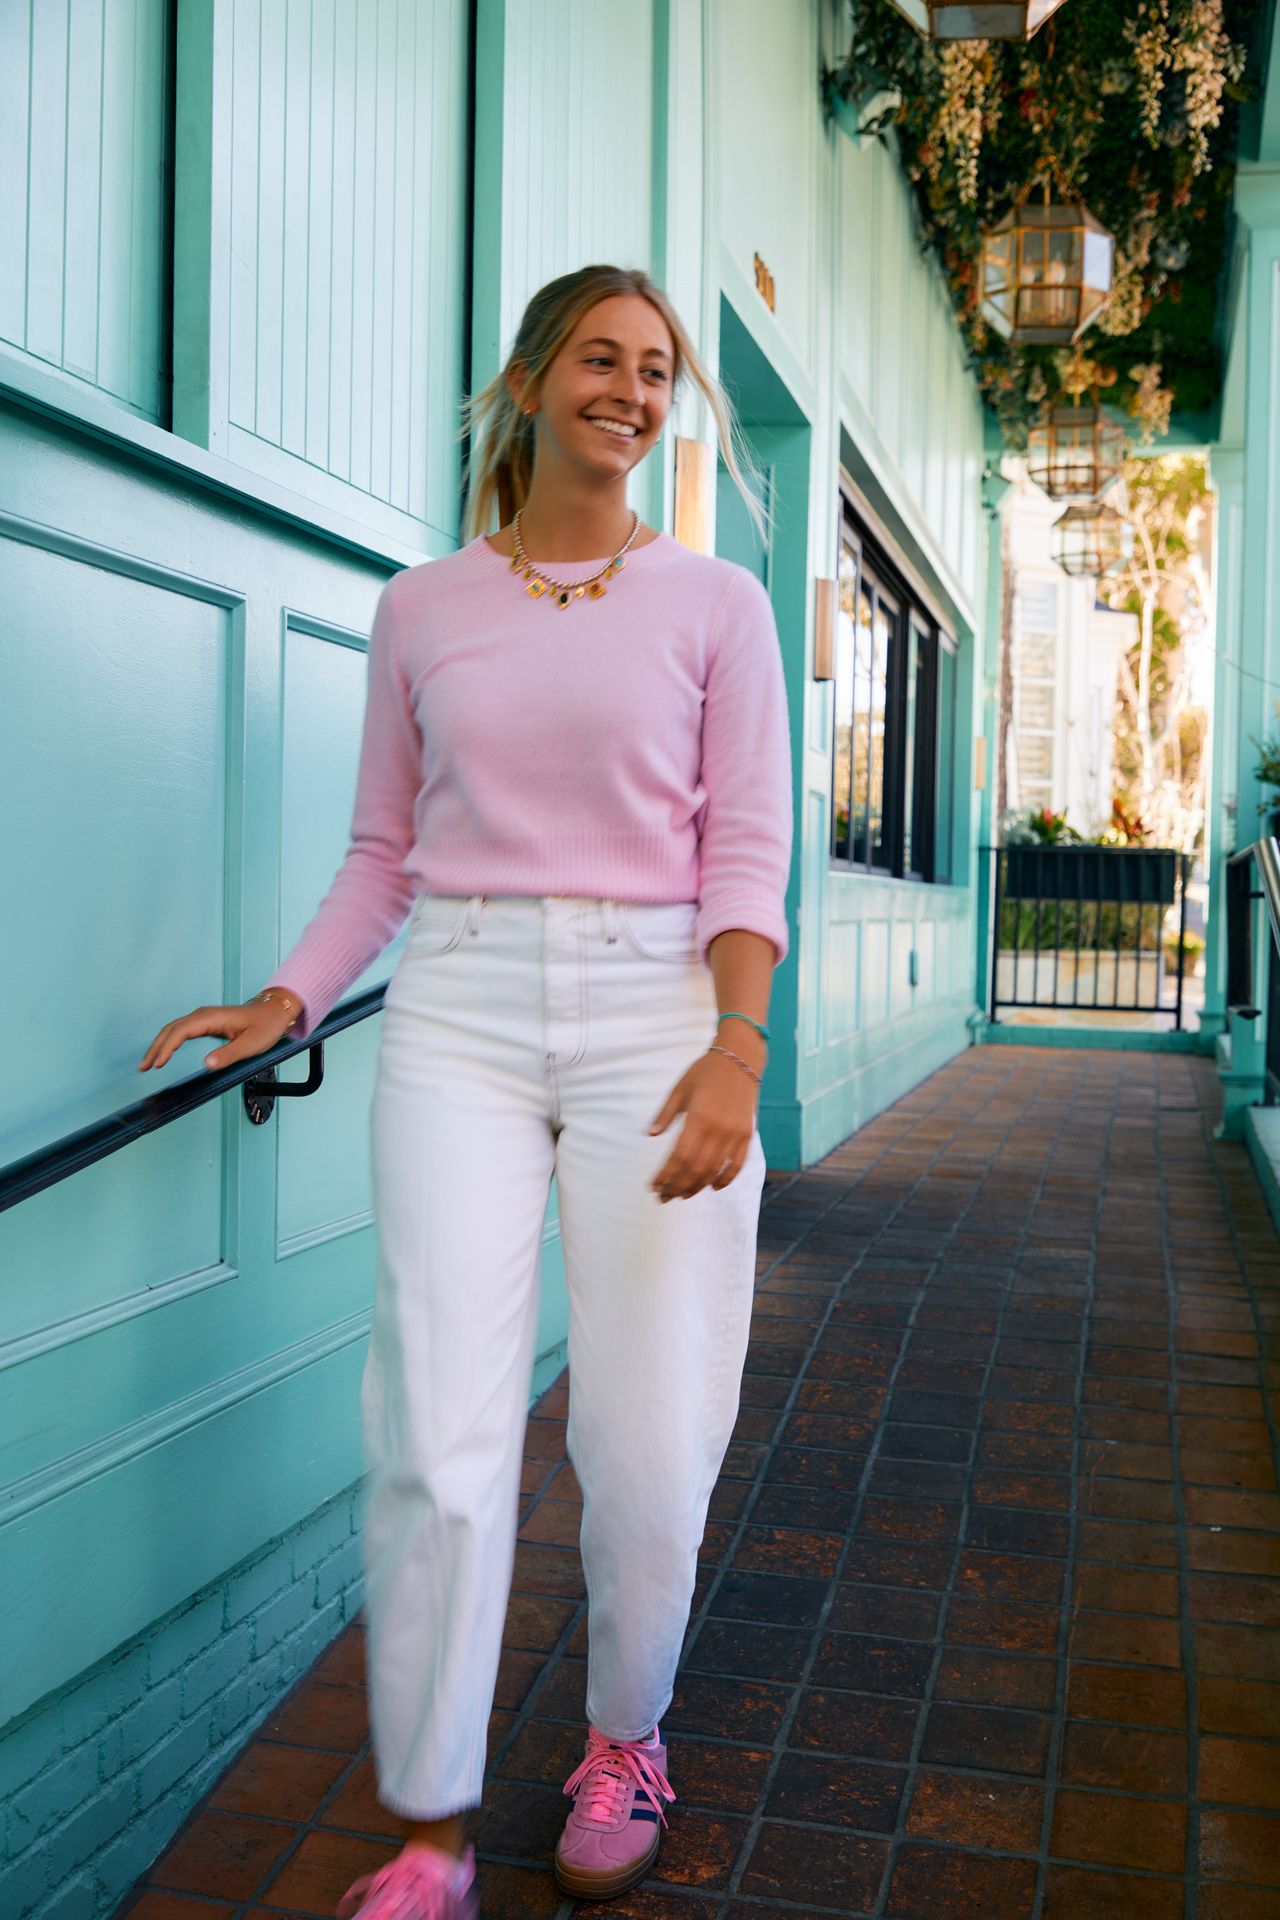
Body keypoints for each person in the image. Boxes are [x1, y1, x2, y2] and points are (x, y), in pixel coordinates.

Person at [138, 263, 793, 1919]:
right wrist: (290, 996)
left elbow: (746, 847)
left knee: (649, 1435)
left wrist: (737, 1047)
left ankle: (624, 1738)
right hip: (458, 1013)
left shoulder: (716, 604)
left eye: (657, 372)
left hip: (661, 1013)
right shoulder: (425, 606)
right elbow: (384, 850)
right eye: (601, 358)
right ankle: (429, 1833)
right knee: (435, 1432)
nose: (633, 392)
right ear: (530, 378)